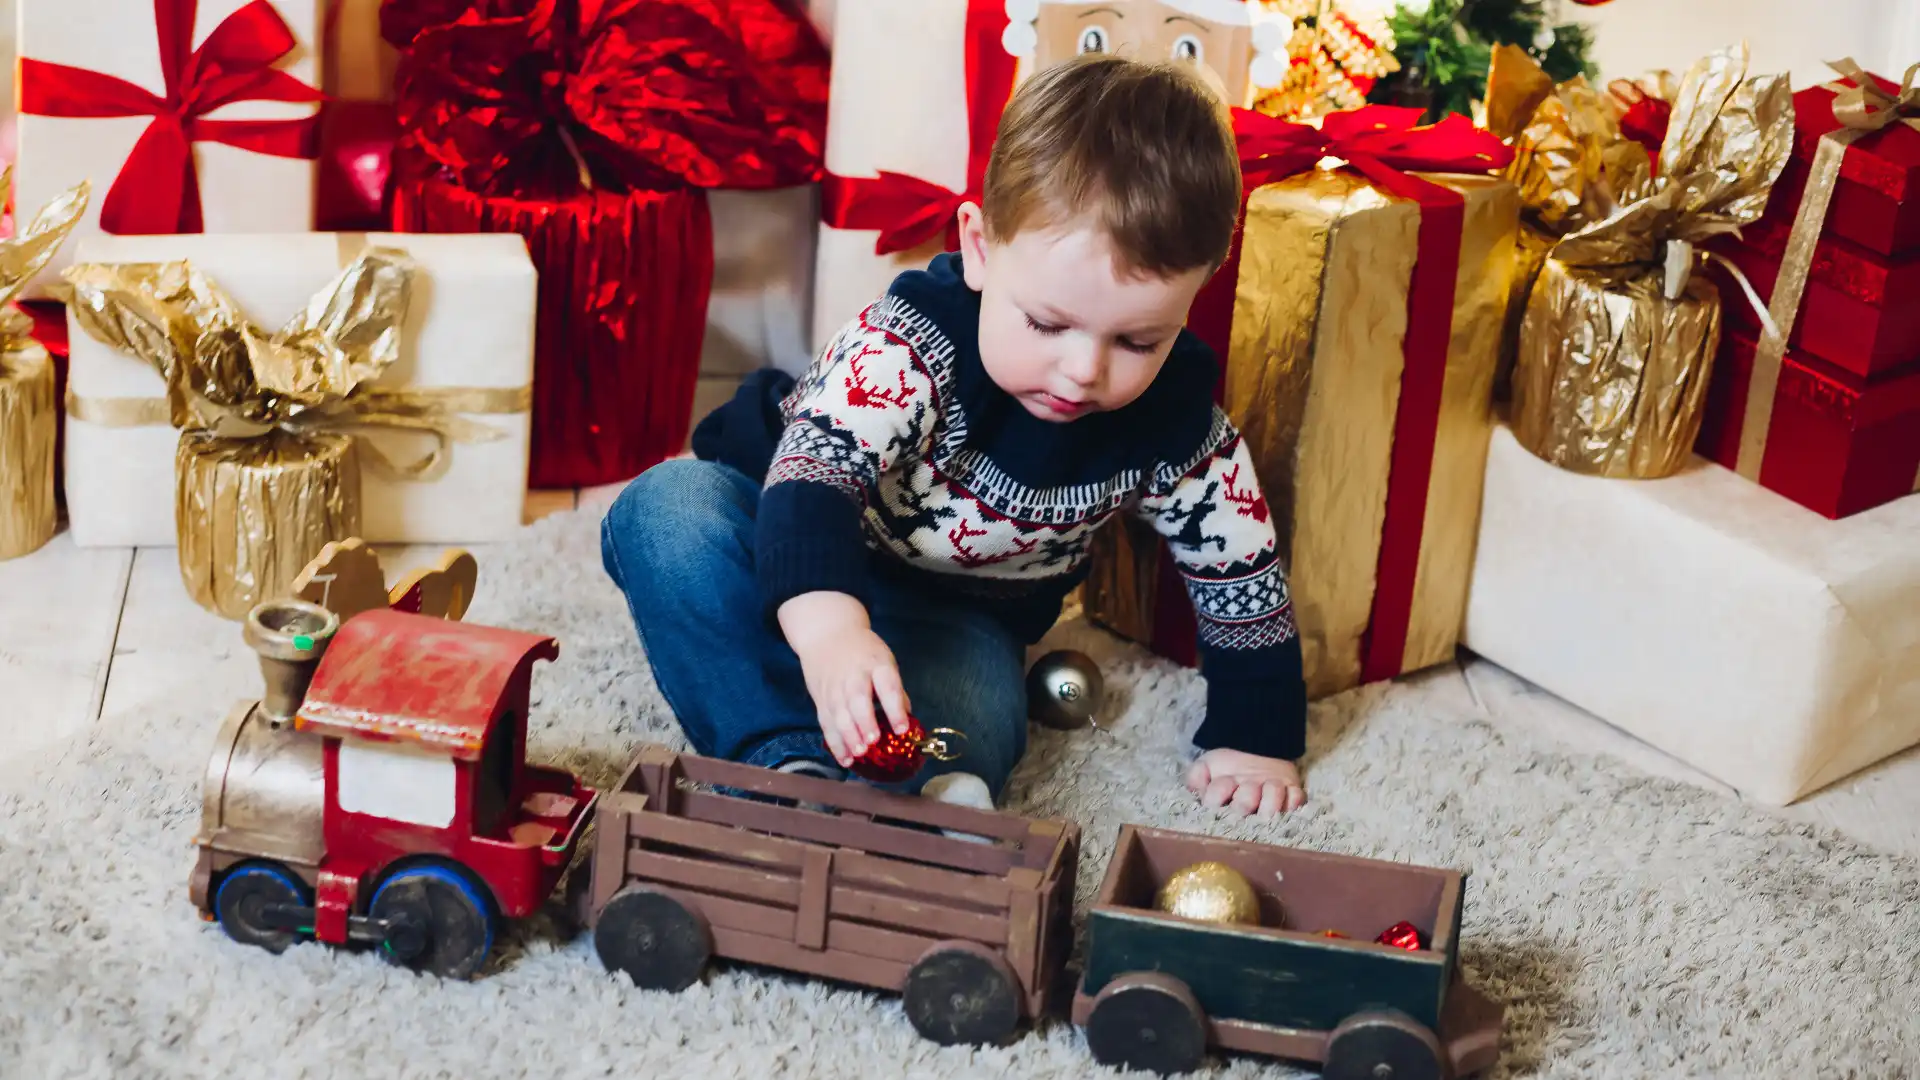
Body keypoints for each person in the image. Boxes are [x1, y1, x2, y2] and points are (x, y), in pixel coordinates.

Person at [600, 53, 1308, 820]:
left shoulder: (1177, 426)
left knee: (968, 729)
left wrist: (1256, 735)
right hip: (783, 529)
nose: (1081, 371)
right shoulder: (906, 347)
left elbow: (1240, 575)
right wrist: (833, 629)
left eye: (1137, 342)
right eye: (1046, 323)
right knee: (664, 510)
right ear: (978, 247)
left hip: (960, 615)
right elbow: (814, 482)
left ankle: (903, 807)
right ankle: (781, 761)